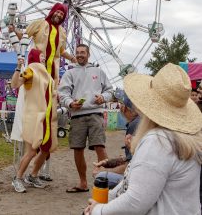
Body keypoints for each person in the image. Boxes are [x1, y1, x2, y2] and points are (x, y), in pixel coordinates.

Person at [84, 63, 202, 215]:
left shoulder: (159, 141)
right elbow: (129, 184)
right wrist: (107, 200)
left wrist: (98, 210)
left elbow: (135, 201)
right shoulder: (183, 138)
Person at [10, 2, 76, 181]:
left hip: (51, 79)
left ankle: (34, 173)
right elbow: (24, 36)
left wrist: (72, 57)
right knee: (33, 118)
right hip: (35, 73)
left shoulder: (61, 32)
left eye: (63, 15)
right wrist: (16, 38)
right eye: (58, 13)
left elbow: (60, 51)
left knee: (48, 125)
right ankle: (23, 168)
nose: (60, 16)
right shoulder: (40, 24)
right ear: (52, 12)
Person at [58, 44, 113, 193]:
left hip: (96, 113)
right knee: (78, 148)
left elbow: (109, 90)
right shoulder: (69, 74)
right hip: (77, 115)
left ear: (88, 54)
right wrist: (70, 103)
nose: (80, 55)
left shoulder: (98, 72)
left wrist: (103, 97)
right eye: (77, 53)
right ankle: (83, 183)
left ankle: (107, 181)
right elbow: (62, 93)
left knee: (100, 146)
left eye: (83, 52)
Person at [11, 48, 54, 193]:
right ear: (35, 57)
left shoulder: (46, 75)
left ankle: (33, 176)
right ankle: (17, 178)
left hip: (45, 117)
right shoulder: (31, 71)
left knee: (45, 149)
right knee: (31, 151)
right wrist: (18, 67)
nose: (43, 58)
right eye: (41, 55)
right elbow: (15, 84)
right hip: (33, 117)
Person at [93, 92, 140, 189]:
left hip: (138, 180)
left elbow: (128, 166)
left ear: (124, 108)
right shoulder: (140, 121)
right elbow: (128, 158)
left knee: (101, 178)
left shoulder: (134, 125)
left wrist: (103, 172)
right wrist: (107, 163)